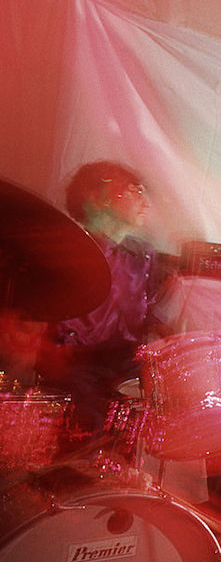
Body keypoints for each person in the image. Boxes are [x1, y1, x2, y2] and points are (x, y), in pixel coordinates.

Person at [37, 161, 167, 439]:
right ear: (96, 200)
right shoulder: (66, 249)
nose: (143, 198)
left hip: (125, 367)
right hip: (76, 370)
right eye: (132, 189)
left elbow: (148, 319)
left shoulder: (144, 255)